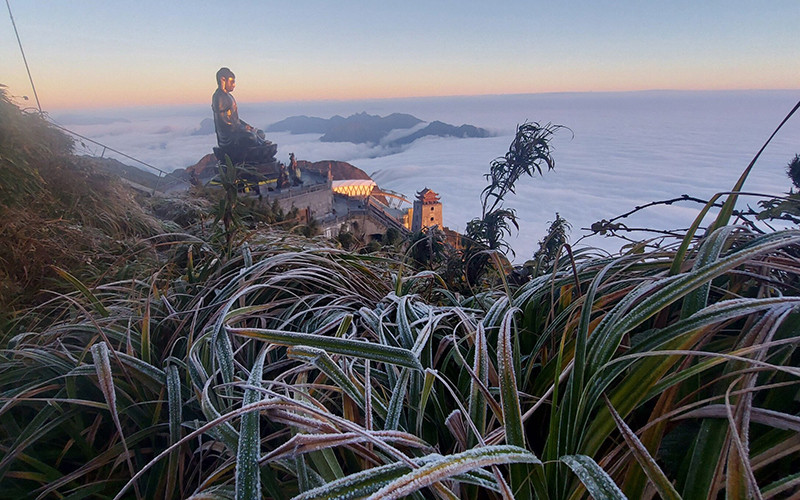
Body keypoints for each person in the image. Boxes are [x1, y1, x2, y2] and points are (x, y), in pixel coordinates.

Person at [212, 67, 275, 164]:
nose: (234, 85)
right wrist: (242, 128)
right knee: (251, 137)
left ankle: (261, 143)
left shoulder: (229, 96)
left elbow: (235, 119)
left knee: (260, 133)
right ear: (223, 80)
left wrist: (246, 126)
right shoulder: (219, 97)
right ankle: (261, 145)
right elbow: (224, 123)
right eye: (232, 82)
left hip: (237, 130)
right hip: (229, 137)